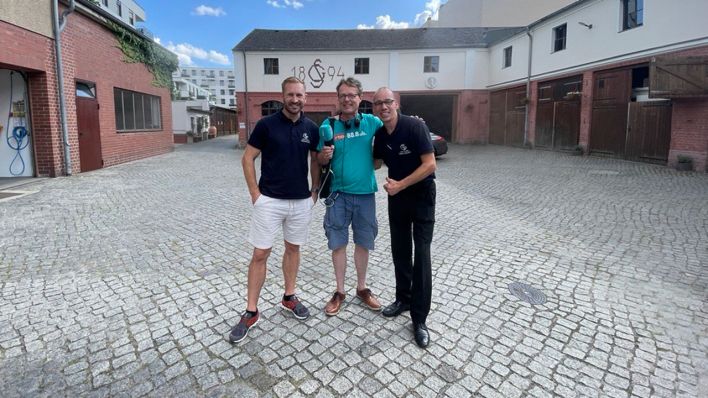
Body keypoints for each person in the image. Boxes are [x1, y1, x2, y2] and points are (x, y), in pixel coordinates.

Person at [229, 77, 320, 344]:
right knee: (260, 253)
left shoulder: (311, 128)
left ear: (306, 98)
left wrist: (314, 191)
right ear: (283, 96)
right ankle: (251, 311)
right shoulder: (266, 125)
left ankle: (289, 297)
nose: (295, 100)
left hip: (300, 201)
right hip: (269, 200)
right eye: (290, 95)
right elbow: (247, 158)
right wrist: (255, 194)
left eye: (299, 95)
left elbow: (315, 160)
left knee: (293, 249)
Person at [372, 87, 437, 348]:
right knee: (400, 250)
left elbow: (430, 164)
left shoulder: (414, 127)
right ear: (374, 108)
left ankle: (419, 319)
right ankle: (403, 298)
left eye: (387, 102)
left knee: (421, 254)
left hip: (421, 196)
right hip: (396, 197)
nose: (383, 107)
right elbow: (375, 163)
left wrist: (401, 184)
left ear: (395, 103)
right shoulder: (379, 134)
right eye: (377, 104)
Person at [316, 77, 383, 316]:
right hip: (337, 195)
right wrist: (324, 155)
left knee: (364, 242)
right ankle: (340, 291)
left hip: (366, 194)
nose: (347, 99)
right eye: (343, 95)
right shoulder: (329, 125)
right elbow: (319, 160)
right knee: (338, 244)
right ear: (338, 98)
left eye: (352, 95)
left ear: (360, 98)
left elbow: (395, 127)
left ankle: (362, 288)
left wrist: (415, 125)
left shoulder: (372, 122)